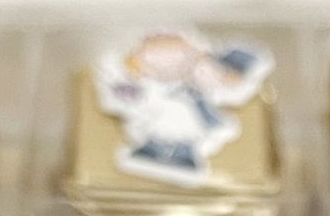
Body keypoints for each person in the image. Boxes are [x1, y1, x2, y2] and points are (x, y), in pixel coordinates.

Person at [94, 29, 271, 182]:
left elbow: (215, 96)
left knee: (183, 138)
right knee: (158, 134)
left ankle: (183, 158)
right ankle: (149, 151)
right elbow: (129, 93)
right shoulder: (155, 83)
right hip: (159, 115)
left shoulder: (198, 88)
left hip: (186, 121)